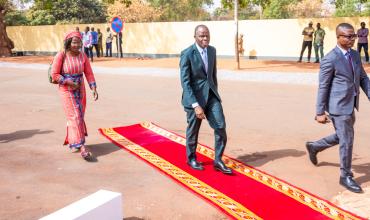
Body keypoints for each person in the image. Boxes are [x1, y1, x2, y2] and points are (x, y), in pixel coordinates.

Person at [306, 23, 370, 193]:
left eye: (353, 36)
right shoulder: (330, 58)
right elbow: (323, 86)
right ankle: (345, 176)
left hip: (351, 104)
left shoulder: (355, 55)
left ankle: (315, 146)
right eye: (348, 36)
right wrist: (319, 112)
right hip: (337, 106)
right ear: (338, 37)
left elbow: (363, 78)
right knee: (347, 140)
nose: (352, 39)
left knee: (343, 135)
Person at [179, 25, 232, 175]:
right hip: (194, 99)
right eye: (202, 36)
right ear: (195, 36)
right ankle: (191, 158)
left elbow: (212, 75)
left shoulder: (212, 51)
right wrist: (195, 105)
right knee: (193, 130)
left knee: (220, 126)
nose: (205, 39)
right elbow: (185, 82)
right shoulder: (187, 54)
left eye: (207, 35)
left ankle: (218, 160)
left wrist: (214, 91)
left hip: (211, 96)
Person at [51, 31, 99, 161]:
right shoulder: (61, 55)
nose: (77, 45)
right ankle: (82, 146)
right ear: (68, 43)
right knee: (75, 116)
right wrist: (67, 82)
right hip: (66, 90)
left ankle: (74, 139)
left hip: (80, 89)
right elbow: (54, 74)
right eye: (74, 42)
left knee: (79, 115)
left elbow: (88, 73)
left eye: (78, 42)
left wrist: (93, 88)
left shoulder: (83, 56)